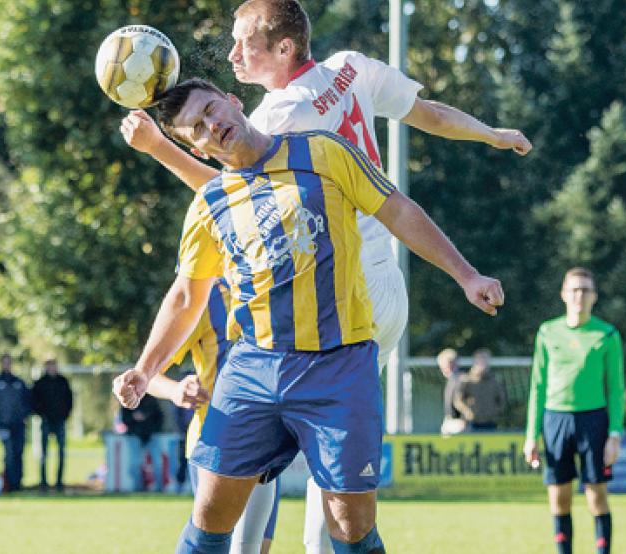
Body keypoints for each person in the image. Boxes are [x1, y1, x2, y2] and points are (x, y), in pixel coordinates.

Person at [119, 3, 529, 547]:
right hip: (385, 282)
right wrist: (492, 134)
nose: (233, 54)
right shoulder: (351, 67)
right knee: (328, 476)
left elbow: (222, 188)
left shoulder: (274, 122)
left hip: (333, 291)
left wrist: (159, 148)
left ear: (284, 49)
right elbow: (427, 112)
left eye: (245, 44)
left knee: (284, 464)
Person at [145, 279, 281, 554]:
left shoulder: (276, 287)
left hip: (267, 442)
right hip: (214, 444)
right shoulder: (205, 299)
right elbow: (148, 375)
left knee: (255, 549)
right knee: (219, 545)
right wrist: (176, 390)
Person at [524, 268, 625, 554]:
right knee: (559, 498)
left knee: (596, 496)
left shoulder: (607, 335)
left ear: (594, 296)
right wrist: (531, 435)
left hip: (594, 420)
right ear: (563, 294)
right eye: (574, 289)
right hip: (555, 420)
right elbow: (537, 386)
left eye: (585, 290)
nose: (579, 295)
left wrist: (614, 434)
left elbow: (616, 389)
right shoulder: (547, 332)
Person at [31, 358, 74, 492]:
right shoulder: (40, 383)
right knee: (43, 453)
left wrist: (65, 415)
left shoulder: (63, 382)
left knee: (61, 452)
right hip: (46, 421)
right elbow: (34, 401)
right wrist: (42, 414)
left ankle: (59, 482)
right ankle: (43, 482)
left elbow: (69, 400)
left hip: (60, 420)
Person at [0, 353, 31, 492]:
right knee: (9, 454)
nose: (7, 365)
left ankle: (18, 483)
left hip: (19, 425)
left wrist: (25, 416)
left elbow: (27, 401)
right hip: (4, 425)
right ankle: (8, 483)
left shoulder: (19, 383)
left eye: (9, 362)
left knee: (19, 453)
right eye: (5, 362)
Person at [119, 394, 165, 492]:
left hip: (151, 435)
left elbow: (159, 417)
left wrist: (149, 423)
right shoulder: (128, 397)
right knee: (134, 463)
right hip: (134, 435)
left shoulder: (152, 399)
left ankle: (160, 488)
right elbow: (124, 417)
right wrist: (133, 418)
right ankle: (138, 488)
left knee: (157, 463)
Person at [453, 348, 507, 431]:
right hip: (472, 423)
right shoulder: (466, 380)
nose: (482, 363)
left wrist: (495, 412)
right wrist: (467, 412)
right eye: (480, 360)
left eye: (485, 360)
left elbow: (502, 400)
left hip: (490, 422)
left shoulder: (495, 381)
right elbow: (458, 400)